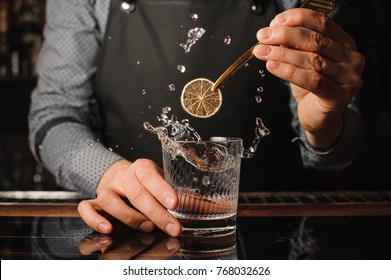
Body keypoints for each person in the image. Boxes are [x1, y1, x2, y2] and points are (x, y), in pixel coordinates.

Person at [28, 0, 365, 237]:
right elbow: (55, 112)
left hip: (268, 239)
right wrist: (104, 171)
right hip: (131, 236)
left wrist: (325, 124)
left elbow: (339, 155)